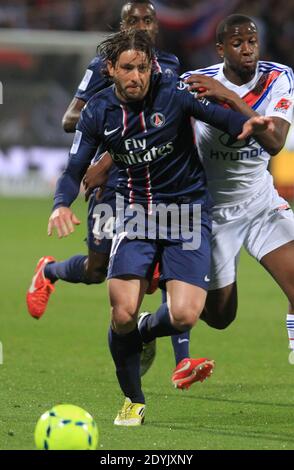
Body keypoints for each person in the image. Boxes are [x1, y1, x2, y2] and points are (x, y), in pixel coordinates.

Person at [46, 28, 273, 425]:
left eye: (143, 68)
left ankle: (147, 330)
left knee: (185, 316)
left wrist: (248, 123)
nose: (137, 76)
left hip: (187, 214)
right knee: (122, 313)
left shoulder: (172, 94)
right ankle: (133, 401)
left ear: (152, 67)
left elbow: (221, 118)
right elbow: (73, 171)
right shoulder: (98, 112)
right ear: (111, 70)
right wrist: (60, 204)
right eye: (128, 69)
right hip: (135, 215)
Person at [26, 0, 198, 382]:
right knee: (97, 269)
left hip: (158, 183)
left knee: (171, 264)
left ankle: (181, 359)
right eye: (132, 20)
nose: (141, 25)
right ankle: (50, 270)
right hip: (113, 187)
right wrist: (110, 144)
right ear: (119, 29)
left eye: (147, 19)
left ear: (157, 26)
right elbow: (70, 118)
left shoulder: (169, 66)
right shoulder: (104, 70)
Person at [180, 14, 294, 363]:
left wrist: (229, 98)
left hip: (260, 203)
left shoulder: (279, 77)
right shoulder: (194, 83)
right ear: (220, 49)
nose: (247, 50)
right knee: (219, 317)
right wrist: (103, 165)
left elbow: (274, 141)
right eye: (237, 43)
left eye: (252, 42)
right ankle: (166, 311)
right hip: (212, 213)